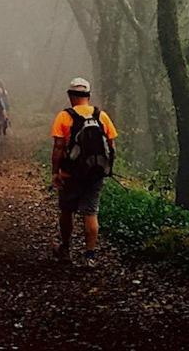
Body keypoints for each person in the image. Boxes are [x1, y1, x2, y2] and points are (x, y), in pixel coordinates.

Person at [50, 77, 117, 268]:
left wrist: (56, 172)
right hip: (95, 173)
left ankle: (65, 249)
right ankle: (90, 256)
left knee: (67, 210)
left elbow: (58, 148)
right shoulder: (101, 116)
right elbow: (112, 146)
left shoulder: (64, 116)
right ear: (88, 96)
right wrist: (106, 168)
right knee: (91, 212)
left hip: (70, 173)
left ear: (71, 96)